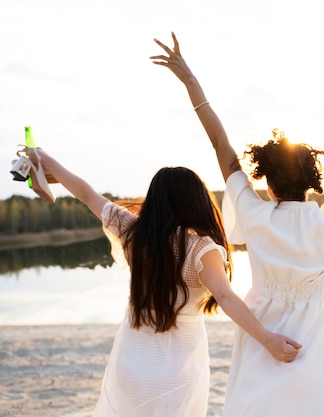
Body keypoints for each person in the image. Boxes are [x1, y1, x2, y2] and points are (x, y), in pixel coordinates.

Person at [151, 32, 324, 417]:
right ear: (311, 182)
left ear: (267, 183)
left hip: (259, 351)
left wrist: (191, 82)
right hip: (311, 365)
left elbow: (221, 144)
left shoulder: (255, 215)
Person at [22, 146, 301, 417]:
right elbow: (226, 298)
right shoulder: (201, 248)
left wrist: (44, 159)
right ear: (197, 201)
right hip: (178, 368)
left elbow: (85, 192)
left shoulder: (132, 232)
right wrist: (268, 339)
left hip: (132, 361)